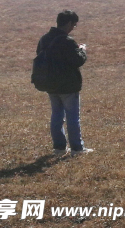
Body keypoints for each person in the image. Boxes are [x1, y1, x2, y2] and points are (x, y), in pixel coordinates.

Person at [37, 10, 93, 157]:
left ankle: (59, 147)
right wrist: (82, 50)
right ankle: (77, 148)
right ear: (68, 23)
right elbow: (77, 60)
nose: (73, 28)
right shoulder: (67, 41)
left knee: (56, 115)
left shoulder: (44, 39)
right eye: (73, 25)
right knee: (72, 117)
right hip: (68, 85)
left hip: (50, 84)